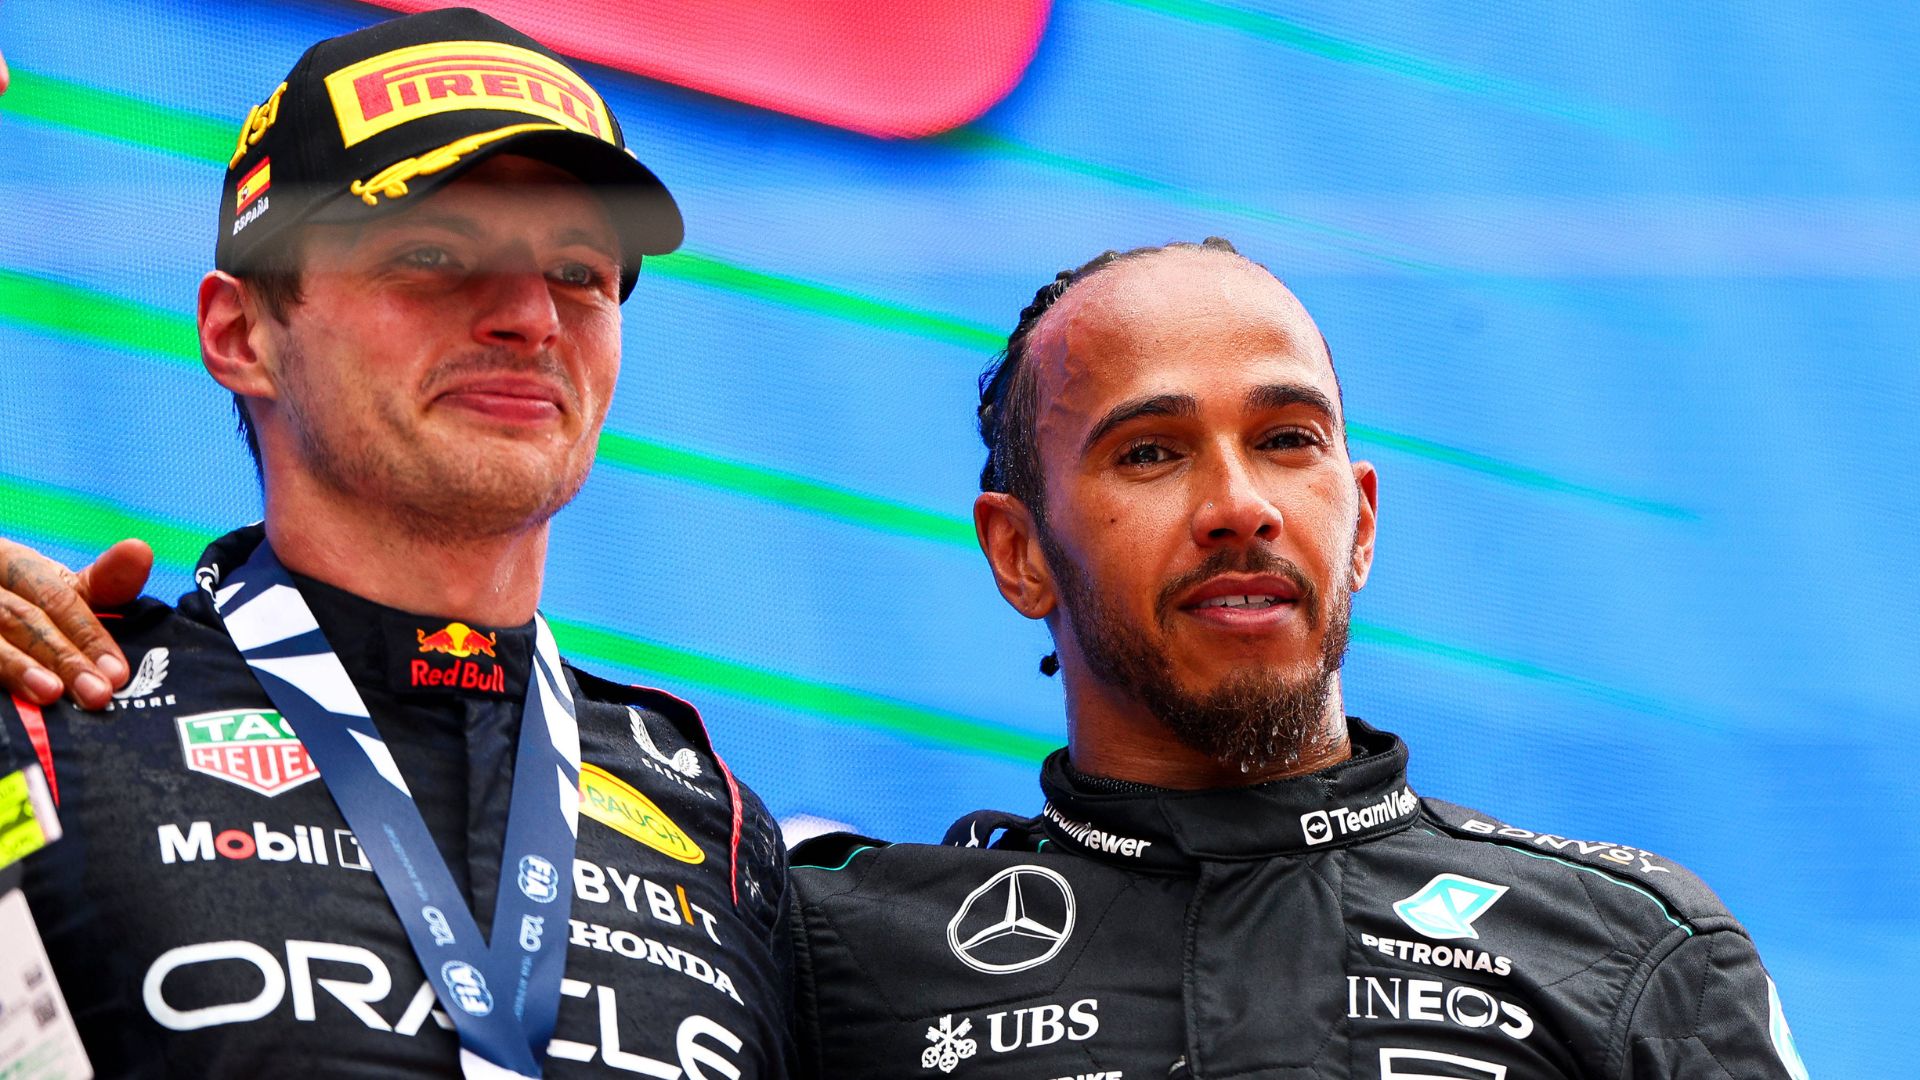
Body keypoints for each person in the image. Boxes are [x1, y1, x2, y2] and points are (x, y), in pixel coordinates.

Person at [783, 239, 1812, 1079]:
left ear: (1360, 523)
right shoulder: (837, 954)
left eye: (1287, 439)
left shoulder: (1631, 947)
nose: (1240, 507)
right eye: (1150, 452)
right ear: (1020, 554)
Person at [0, 9, 791, 1077]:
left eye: (578, 272)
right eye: (434, 253)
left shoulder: (721, 829)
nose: (531, 317)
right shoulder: (51, 714)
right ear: (240, 333)